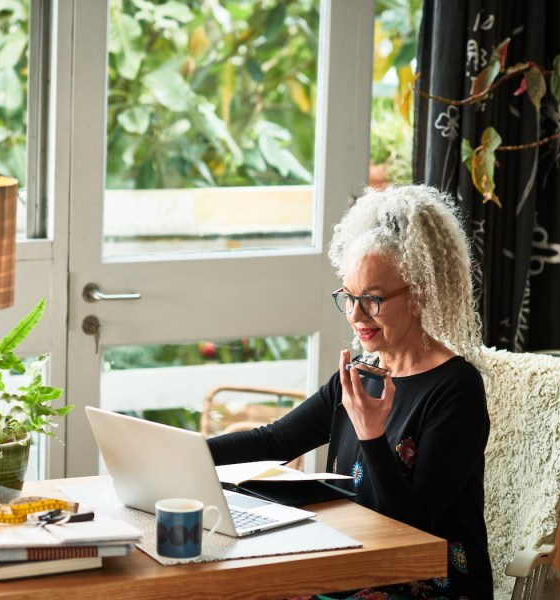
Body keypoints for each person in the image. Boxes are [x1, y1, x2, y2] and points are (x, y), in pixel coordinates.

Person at [207, 184, 493, 599]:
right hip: (351, 561)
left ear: (420, 295)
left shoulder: (456, 388)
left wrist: (371, 435)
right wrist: (186, 457)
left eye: (372, 299)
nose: (356, 315)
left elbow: (415, 529)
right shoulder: (360, 373)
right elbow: (274, 441)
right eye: (348, 297)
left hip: (428, 582)